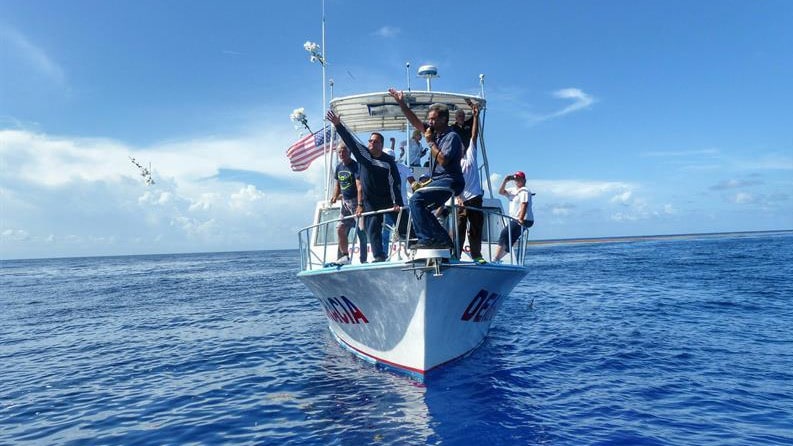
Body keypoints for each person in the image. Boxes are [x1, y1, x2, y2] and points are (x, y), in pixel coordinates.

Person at [388, 88, 465, 250]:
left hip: (451, 180)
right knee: (421, 208)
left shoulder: (452, 137)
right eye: (429, 119)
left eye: (433, 119)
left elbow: (443, 160)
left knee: (415, 199)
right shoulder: (434, 133)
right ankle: (445, 241)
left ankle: (427, 239)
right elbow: (415, 121)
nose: (429, 122)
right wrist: (401, 103)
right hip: (438, 180)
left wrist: (430, 143)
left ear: (444, 119)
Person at [326, 110, 403, 262]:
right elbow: (350, 142)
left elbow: (396, 182)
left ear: (382, 145)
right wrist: (338, 125)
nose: (372, 144)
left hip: (387, 198)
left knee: (402, 221)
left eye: (375, 142)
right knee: (372, 227)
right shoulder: (364, 154)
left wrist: (398, 202)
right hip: (370, 201)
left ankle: (415, 245)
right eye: (370, 141)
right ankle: (378, 256)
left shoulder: (388, 161)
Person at [456, 99, 486, 263]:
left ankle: (477, 255)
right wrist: (458, 197)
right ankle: (456, 255)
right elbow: (453, 182)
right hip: (461, 199)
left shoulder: (471, 154)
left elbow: (474, 135)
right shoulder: (453, 163)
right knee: (459, 227)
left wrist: (475, 116)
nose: (460, 147)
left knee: (475, 227)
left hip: (475, 196)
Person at [330, 143, 367, 264]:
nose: (342, 154)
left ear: (349, 152)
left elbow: (359, 185)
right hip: (345, 203)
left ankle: (363, 260)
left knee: (361, 231)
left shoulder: (355, 166)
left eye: (344, 151)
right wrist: (335, 196)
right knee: (340, 228)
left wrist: (360, 205)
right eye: (340, 152)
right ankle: (345, 256)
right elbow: (337, 184)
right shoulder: (339, 167)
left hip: (356, 201)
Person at [382, 138, 416, 255]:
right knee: (385, 233)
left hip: (402, 206)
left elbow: (413, 183)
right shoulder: (379, 169)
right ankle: (384, 256)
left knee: (406, 232)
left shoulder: (403, 168)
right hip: (386, 206)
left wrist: (417, 196)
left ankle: (411, 253)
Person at [493, 171, 534, 262]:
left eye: (519, 179)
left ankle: (495, 258)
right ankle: (498, 259)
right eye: (515, 179)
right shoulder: (513, 190)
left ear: (524, 180)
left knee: (504, 233)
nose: (517, 180)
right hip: (517, 219)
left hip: (524, 219)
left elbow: (524, 204)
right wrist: (505, 181)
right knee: (510, 240)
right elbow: (501, 192)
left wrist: (521, 218)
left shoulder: (525, 191)